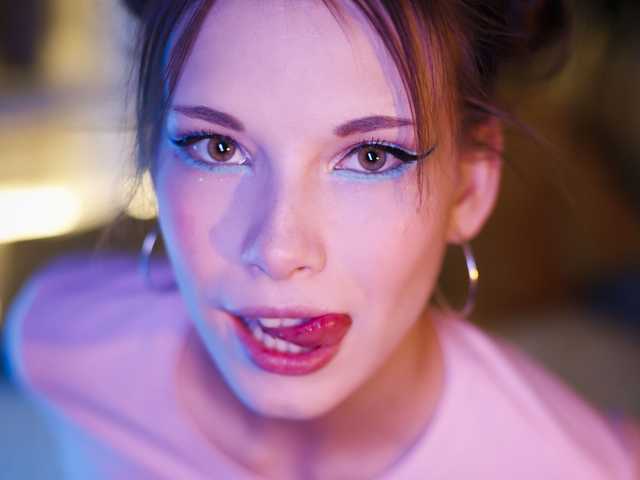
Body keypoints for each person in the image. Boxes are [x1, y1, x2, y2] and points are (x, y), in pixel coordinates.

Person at [5, 0, 640, 478]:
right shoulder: (60, 345)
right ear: (152, 160)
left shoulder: (571, 466)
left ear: (470, 188)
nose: (279, 251)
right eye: (218, 147)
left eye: (371, 157)